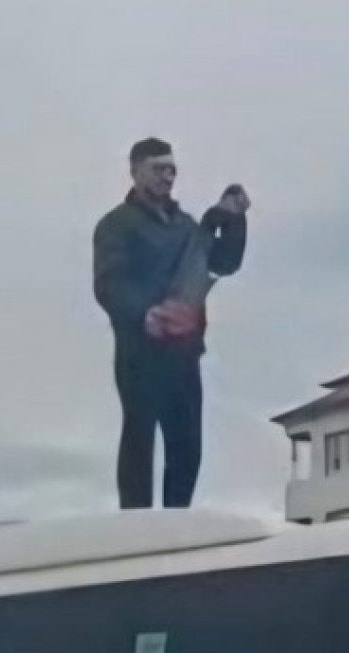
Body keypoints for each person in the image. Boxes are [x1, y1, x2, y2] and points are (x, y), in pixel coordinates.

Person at [93, 138, 249, 509]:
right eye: (158, 169)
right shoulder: (116, 225)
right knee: (139, 439)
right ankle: (135, 522)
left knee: (187, 445)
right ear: (135, 171)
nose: (167, 176)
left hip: (184, 351)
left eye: (172, 170)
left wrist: (234, 220)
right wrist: (143, 314)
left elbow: (223, 263)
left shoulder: (187, 227)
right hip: (139, 352)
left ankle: (178, 519)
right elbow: (109, 284)